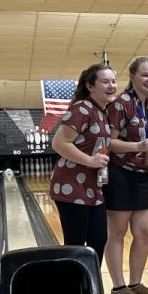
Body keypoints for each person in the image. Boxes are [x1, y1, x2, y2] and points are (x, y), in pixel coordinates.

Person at [104, 56, 148, 294]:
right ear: (133, 77)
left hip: (143, 175)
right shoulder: (121, 104)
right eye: (145, 75)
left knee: (144, 231)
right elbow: (109, 143)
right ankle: (118, 287)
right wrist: (138, 145)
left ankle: (136, 283)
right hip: (120, 174)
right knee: (117, 232)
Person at [49, 64, 117, 264]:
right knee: (76, 245)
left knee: (98, 240)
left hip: (92, 187)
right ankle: (73, 292)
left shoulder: (102, 112)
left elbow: (100, 149)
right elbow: (59, 143)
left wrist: (101, 170)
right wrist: (91, 161)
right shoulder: (82, 108)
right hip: (72, 187)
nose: (111, 85)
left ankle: (90, 291)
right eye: (105, 81)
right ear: (90, 86)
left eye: (113, 81)